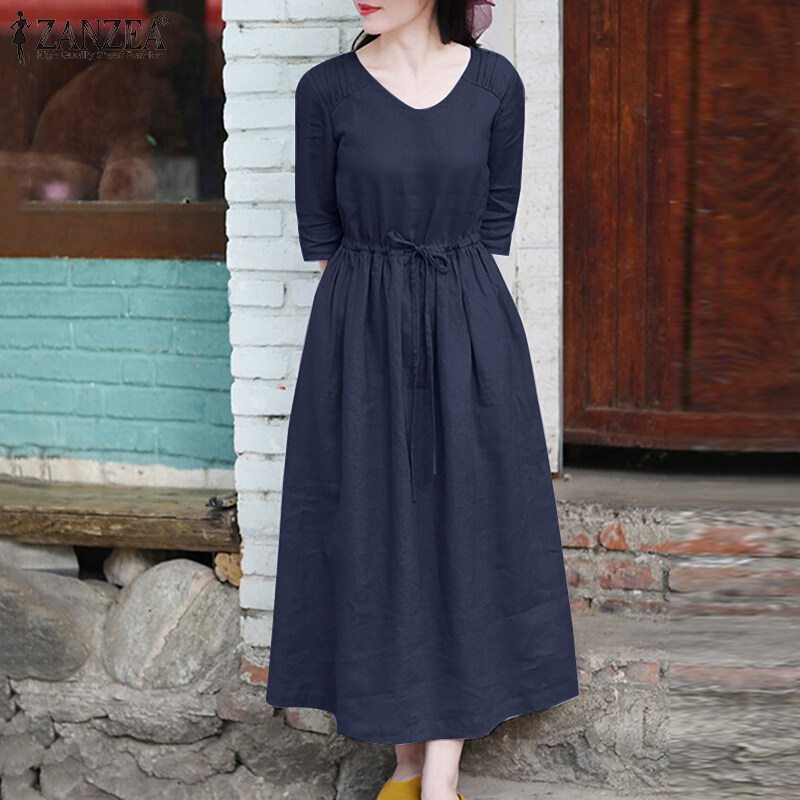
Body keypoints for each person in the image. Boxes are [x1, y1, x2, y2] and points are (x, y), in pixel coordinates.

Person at [264, 2, 579, 799]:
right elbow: (324, 238)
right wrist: (366, 355)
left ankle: (438, 777)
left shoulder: (497, 86)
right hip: (359, 336)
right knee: (374, 532)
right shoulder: (325, 91)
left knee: (466, 531)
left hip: (469, 330)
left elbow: (492, 225)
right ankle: (406, 768)